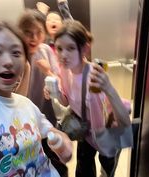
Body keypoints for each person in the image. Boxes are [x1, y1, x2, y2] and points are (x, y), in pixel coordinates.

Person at [0, 22, 72, 177]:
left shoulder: (26, 104)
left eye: (16, 53)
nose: (8, 61)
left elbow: (55, 137)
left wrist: (61, 142)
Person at [44, 20, 131, 177]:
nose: (63, 55)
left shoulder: (94, 78)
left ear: (84, 49)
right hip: (86, 133)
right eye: (59, 48)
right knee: (83, 171)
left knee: (106, 171)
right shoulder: (65, 70)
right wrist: (55, 93)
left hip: (105, 134)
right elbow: (66, 100)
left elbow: (109, 117)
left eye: (70, 48)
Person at [17, 9, 69, 177]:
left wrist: (49, 73)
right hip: (24, 123)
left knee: (57, 162)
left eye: (38, 32)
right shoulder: (16, 54)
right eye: (28, 32)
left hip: (47, 118)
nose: (33, 37)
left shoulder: (46, 50)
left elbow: (58, 80)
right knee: (34, 164)